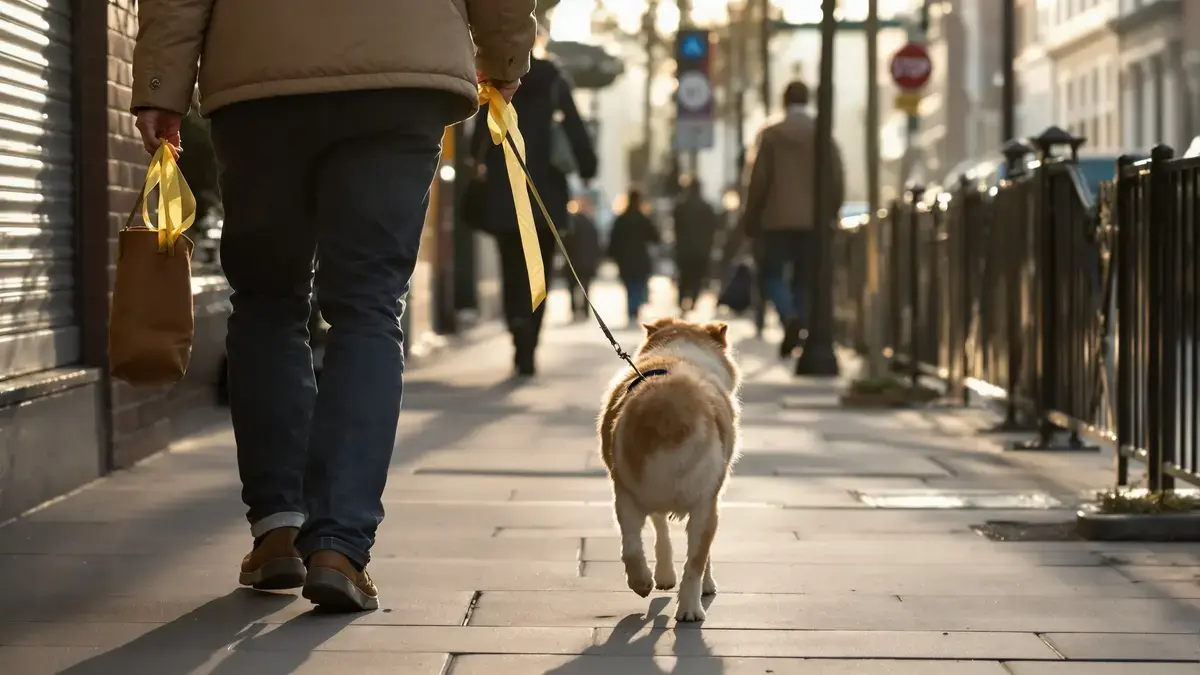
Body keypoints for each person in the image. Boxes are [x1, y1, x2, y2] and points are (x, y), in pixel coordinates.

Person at [131, 0, 537, 613]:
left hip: (260, 71)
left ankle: (277, 530)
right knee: (369, 307)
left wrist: (161, 83)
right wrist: (504, 52)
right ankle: (341, 547)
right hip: (403, 69)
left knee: (267, 300)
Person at [469, 37, 598, 376]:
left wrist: (477, 161)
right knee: (538, 272)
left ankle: (516, 327)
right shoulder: (554, 78)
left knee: (511, 267)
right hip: (546, 196)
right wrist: (587, 166)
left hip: (503, 192)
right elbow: (575, 127)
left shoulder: (495, 78)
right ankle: (530, 343)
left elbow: (476, 137)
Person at [738, 80, 845, 358]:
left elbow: (758, 180)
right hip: (813, 220)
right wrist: (831, 212)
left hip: (776, 218)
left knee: (771, 274)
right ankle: (799, 318)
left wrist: (751, 216)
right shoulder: (821, 133)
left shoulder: (771, 134)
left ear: (783, 101)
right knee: (803, 277)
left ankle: (789, 317)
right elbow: (836, 175)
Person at [607, 190, 661, 323]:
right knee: (638, 283)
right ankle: (634, 308)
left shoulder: (621, 219)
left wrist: (612, 255)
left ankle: (632, 309)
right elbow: (655, 237)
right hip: (640, 257)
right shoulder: (643, 219)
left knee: (630, 285)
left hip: (625, 259)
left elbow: (613, 240)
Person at [672, 178, 719, 313]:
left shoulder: (681, 207)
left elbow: (677, 228)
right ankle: (693, 299)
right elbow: (713, 228)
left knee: (684, 277)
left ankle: (683, 300)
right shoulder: (707, 208)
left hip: (684, 249)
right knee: (697, 277)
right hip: (701, 250)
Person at [563, 195, 602, 321]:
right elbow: (596, 244)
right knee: (585, 286)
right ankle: (585, 311)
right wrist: (596, 259)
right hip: (586, 261)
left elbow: (566, 242)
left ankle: (574, 310)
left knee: (572, 287)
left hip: (573, 260)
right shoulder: (591, 224)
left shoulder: (571, 223)